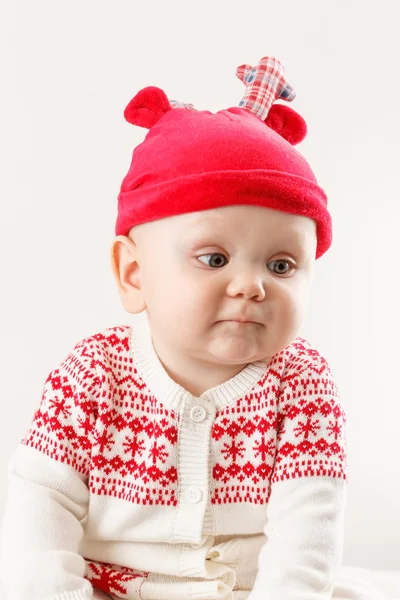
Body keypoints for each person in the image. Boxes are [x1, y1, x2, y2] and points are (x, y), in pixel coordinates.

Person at [1, 55, 376, 600]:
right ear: (134, 274)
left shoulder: (301, 382)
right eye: (214, 258)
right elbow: (41, 503)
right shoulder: (94, 373)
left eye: (281, 265)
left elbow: (308, 532)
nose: (252, 286)